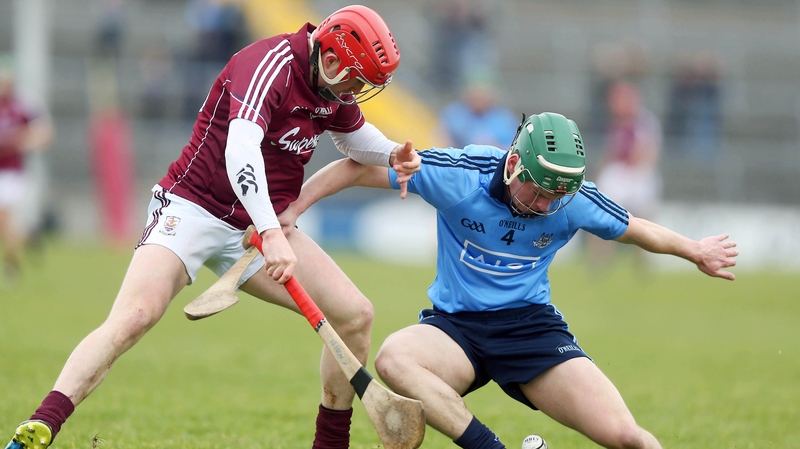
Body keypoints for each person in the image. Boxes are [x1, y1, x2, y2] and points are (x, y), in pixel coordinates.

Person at [5, 5, 419, 449]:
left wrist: (392, 152)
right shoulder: (269, 65)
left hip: (255, 229)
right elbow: (240, 152)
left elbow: (354, 138)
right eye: (358, 80)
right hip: (193, 209)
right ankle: (42, 425)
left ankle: (330, 444)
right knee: (135, 317)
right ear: (333, 60)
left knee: (356, 315)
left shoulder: (330, 84)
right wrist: (274, 232)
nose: (357, 91)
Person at [281, 112, 738, 448]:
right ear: (514, 163)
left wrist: (695, 250)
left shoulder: (571, 199)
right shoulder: (460, 176)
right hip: (455, 329)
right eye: (537, 191)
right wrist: (294, 210)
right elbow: (358, 167)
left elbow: (638, 228)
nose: (544, 206)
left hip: (532, 330)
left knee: (627, 437)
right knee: (395, 358)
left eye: (556, 196)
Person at [590, 80, 663, 271]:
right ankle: (600, 260)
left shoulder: (645, 122)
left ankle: (643, 262)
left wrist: (637, 174)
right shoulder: (617, 123)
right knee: (603, 215)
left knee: (644, 221)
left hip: (636, 173)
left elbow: (649, 151)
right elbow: (611, 150)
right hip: (619, 171)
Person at [0, 54, 55, 287]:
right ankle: (28, 237)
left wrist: (20, 140)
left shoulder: (23, 103)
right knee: (7, 225)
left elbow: (45, 134)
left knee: (4, 219)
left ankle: (11, 268)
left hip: (13, 173)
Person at [436, 69, 518, 149]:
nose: (479, 96)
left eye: (484, 92)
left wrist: (493, 146)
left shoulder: (505, 120)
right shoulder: (453, 115)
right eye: (475, 91)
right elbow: (441, 142)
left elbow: (513, 149)